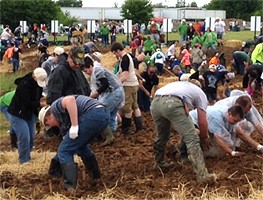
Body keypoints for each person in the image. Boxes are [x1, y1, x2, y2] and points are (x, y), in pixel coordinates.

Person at [38, 95, 110, 191]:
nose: (51, 126)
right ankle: (96, 177)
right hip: (103, 116)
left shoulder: (55, 107)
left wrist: (75, 125)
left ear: (48, 118)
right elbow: (68, 144)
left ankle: (71, 188)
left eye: (48, 124)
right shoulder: (63, 123)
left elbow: (70, 100)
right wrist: (56, 160)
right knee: (80, 147)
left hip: (93, 114)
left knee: (64, 151)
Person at [150, 81, 216, 183]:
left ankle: (159, 163)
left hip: (155, 102)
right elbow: (202, 122)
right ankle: (203, 175)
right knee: (192, 139)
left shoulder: (180, 86)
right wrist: (205, 137)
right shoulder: (200, 93)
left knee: (162, 135)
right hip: (172, 103)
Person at [81, 54, 124, 145]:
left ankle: (109, 136)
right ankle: (111, 134)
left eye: (86, 70)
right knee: (111, 115)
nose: (86, 73)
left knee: (100, 112)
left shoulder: (97, 70)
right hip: (117, 91)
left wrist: (95, 95)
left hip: (113, 92)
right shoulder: (97, 69)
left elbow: (105, 85)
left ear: (90, 66)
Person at [190, 105, 263, 157]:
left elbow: (241, 133)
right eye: (235, 121)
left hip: (204, 123)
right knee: (198, 135)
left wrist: (258, 146)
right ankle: (188, 153)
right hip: (191, 121)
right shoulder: (216, 118)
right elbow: (217, 138)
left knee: (225, 146)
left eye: (237, 121)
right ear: (229, 114)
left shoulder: (229, 114)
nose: (235, 123)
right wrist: (232, 152)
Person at [8, 68, 47, 164]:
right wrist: (39, 104)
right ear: (34, 77)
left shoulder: (38, 86)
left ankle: (27, 156)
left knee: (31, 136)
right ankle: (24, 160)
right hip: (18, 113)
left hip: (30, 112)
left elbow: (36, 98)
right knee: (24, 136)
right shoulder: (24, 85)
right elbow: (27, 102)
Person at [111, 42, 143, 134]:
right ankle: (139, 127)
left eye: (114, 53)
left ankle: (126, 129)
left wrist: (116, 84)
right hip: (134, 84)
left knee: (127, 108)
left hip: (128, 85)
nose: (115, 55)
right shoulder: (128, 56)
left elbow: (125, 76)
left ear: (117, 50)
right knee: (135, 105)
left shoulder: (124, 59)